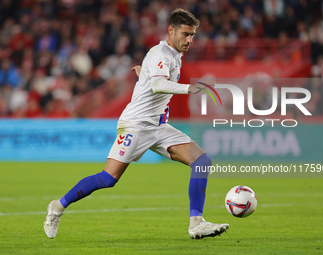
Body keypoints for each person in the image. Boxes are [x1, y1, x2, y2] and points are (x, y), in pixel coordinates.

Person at [44, 8, 229, 240]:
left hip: (159, 126)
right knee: (108, 178)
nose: (190, 40)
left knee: (202, 160)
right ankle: (57, 207)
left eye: (192, 35)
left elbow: (154, 80)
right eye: (185, 34)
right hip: (136, 125)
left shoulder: (173, 55)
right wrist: (190, 88)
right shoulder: (161, 53)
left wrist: (144, 74)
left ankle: (196, 223)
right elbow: (159, 85)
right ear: (171, 30)